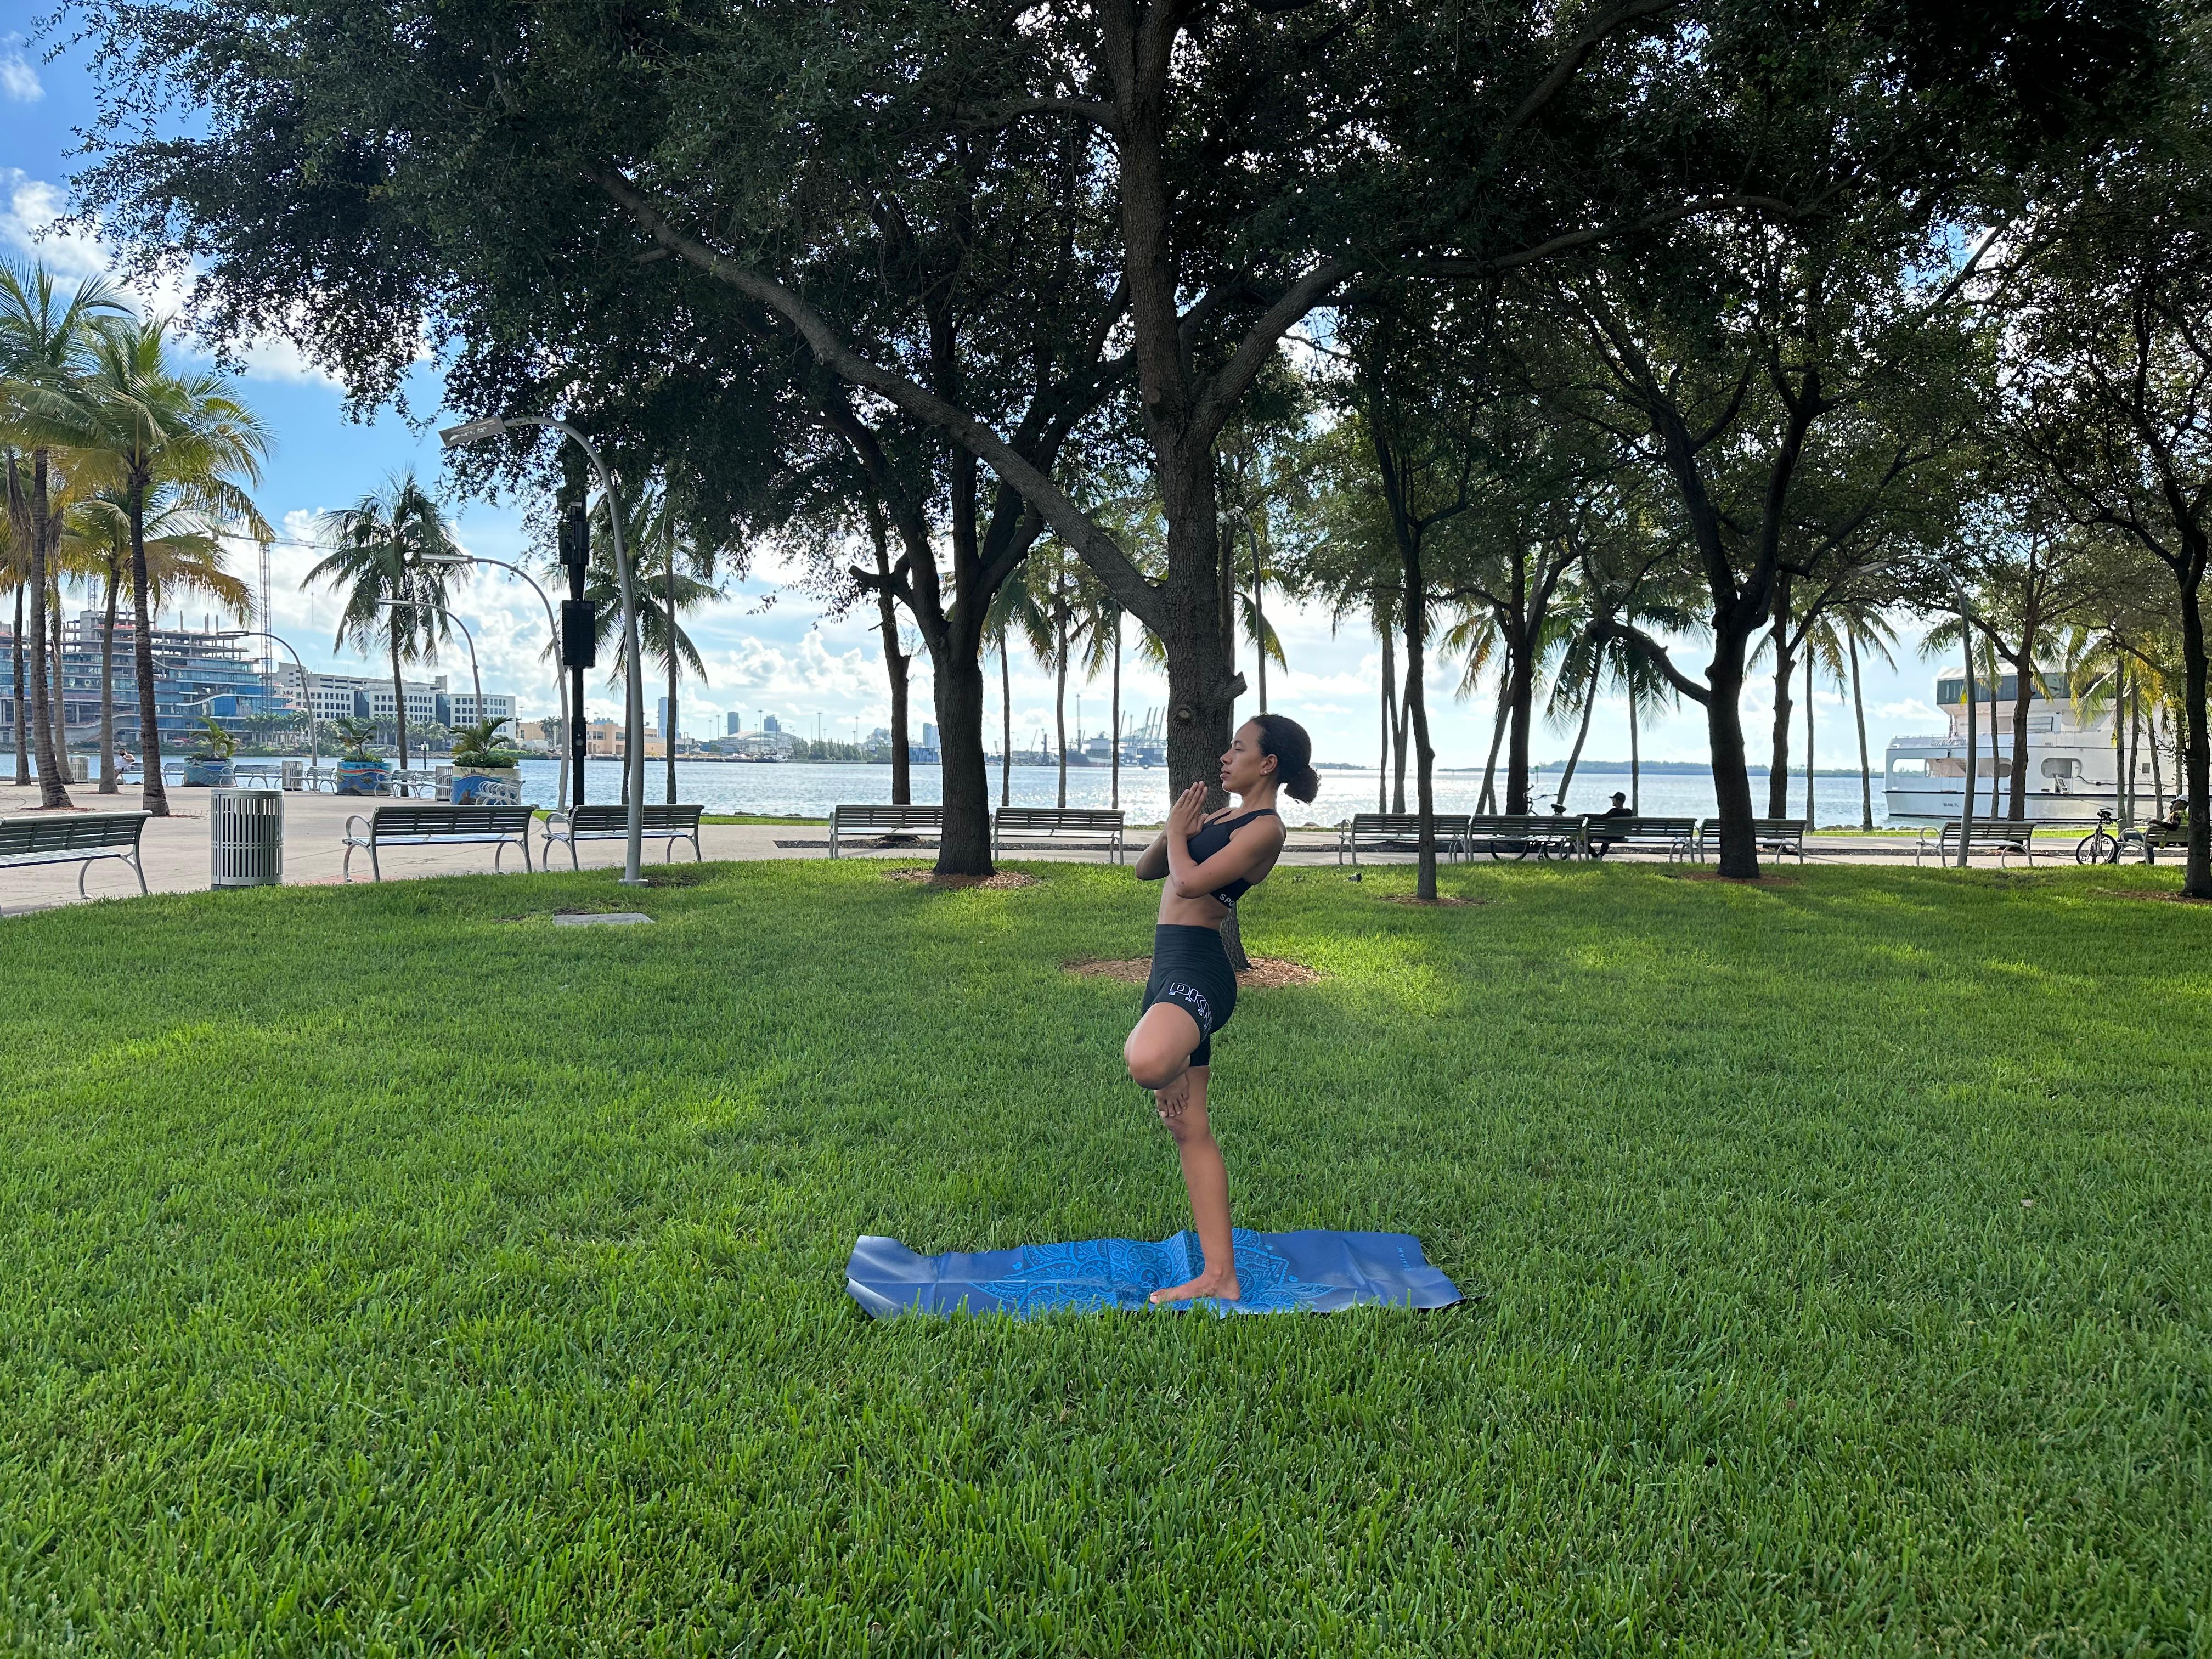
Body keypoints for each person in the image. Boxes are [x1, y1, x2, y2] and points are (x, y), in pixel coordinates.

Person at [1125, 713, 1319, 1304]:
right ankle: (1220, 1276)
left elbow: (1190, 884)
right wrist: (1176, 827)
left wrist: (1182, 835)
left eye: (1238, 749)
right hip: (1165, 967)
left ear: (1268, 764)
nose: (1224, 757)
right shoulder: (1222, 817)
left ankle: (1174, 1062)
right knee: (1189, 1128)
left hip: (1201, 970)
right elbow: (1148, 870)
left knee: (1148, 1061)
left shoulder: (1266, 829)